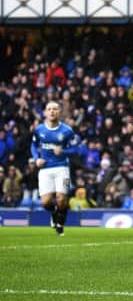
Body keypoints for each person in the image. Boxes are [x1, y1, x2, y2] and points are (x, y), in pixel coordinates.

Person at [31, 101, 80, 236]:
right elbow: (33, 146)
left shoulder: (67, 131)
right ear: (45, 112)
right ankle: (54, 213)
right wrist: (36, 159)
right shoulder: (39, 129)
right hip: (45, 169)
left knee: (61, 198)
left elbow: (76, 149)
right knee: (46, 202)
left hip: (62, 168)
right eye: (49, 109)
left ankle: (60, 225)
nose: (52, 111)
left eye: (55, 109)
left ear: (59, 112)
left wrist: (63, 151)